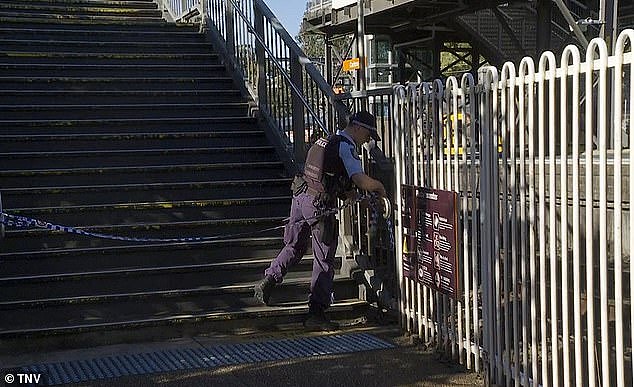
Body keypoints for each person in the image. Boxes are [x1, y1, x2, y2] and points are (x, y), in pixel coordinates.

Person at [253, 110, 387, 331]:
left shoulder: (325, 141)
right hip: (318, 206)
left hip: (300, 196)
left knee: (294, 245)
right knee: (324, 258)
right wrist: (379, 187)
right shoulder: (346, 147)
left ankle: (267, 282)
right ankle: (316, 312)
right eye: (369, 134)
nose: (369, 140)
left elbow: (332, 180)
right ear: (357, 127)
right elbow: (359, 179)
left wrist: (356, 198)